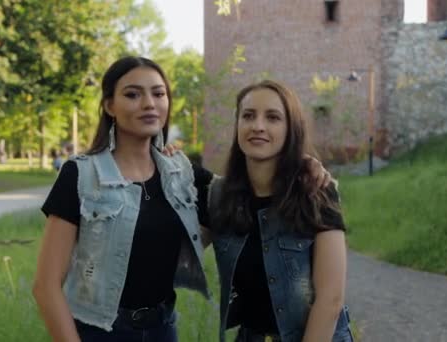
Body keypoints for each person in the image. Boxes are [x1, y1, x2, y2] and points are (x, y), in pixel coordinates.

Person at [32, 56, 332, 342]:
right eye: (133, 95)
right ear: (110, 105)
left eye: (158, 94)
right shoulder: (81, 175)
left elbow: (250, 189)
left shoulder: (182, 173)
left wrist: (300, 165)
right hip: (99, 331)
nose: (149, 104)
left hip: (163, 329)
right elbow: (46, 287)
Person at [207, 80, 353, 342]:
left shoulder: (316, 192)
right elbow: (175, 252)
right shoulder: (218, 197)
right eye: (248, 116)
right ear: (237, 124)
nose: (258, 126)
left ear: (290, 129)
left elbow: (331, 299)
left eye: (273, 117)